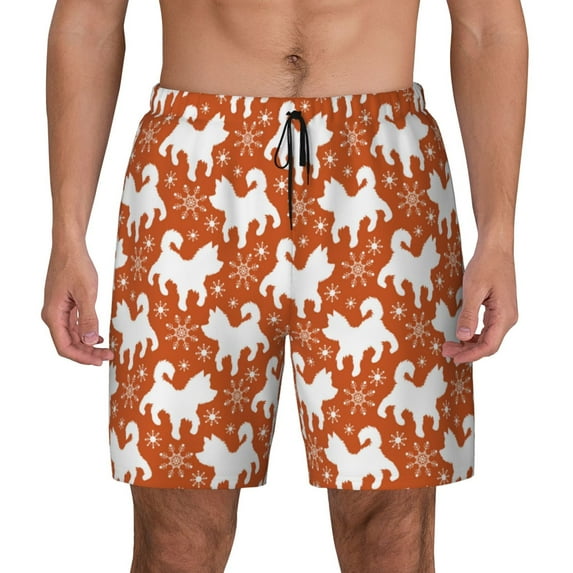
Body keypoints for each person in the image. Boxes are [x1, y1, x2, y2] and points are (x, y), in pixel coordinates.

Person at [42, 0, 526, 571]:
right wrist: (67, 235)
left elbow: (487, 26)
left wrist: (498, 236)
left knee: (390, 530)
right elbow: (89, 23)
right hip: (193, 167)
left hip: (383, 171)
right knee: (176, 535)